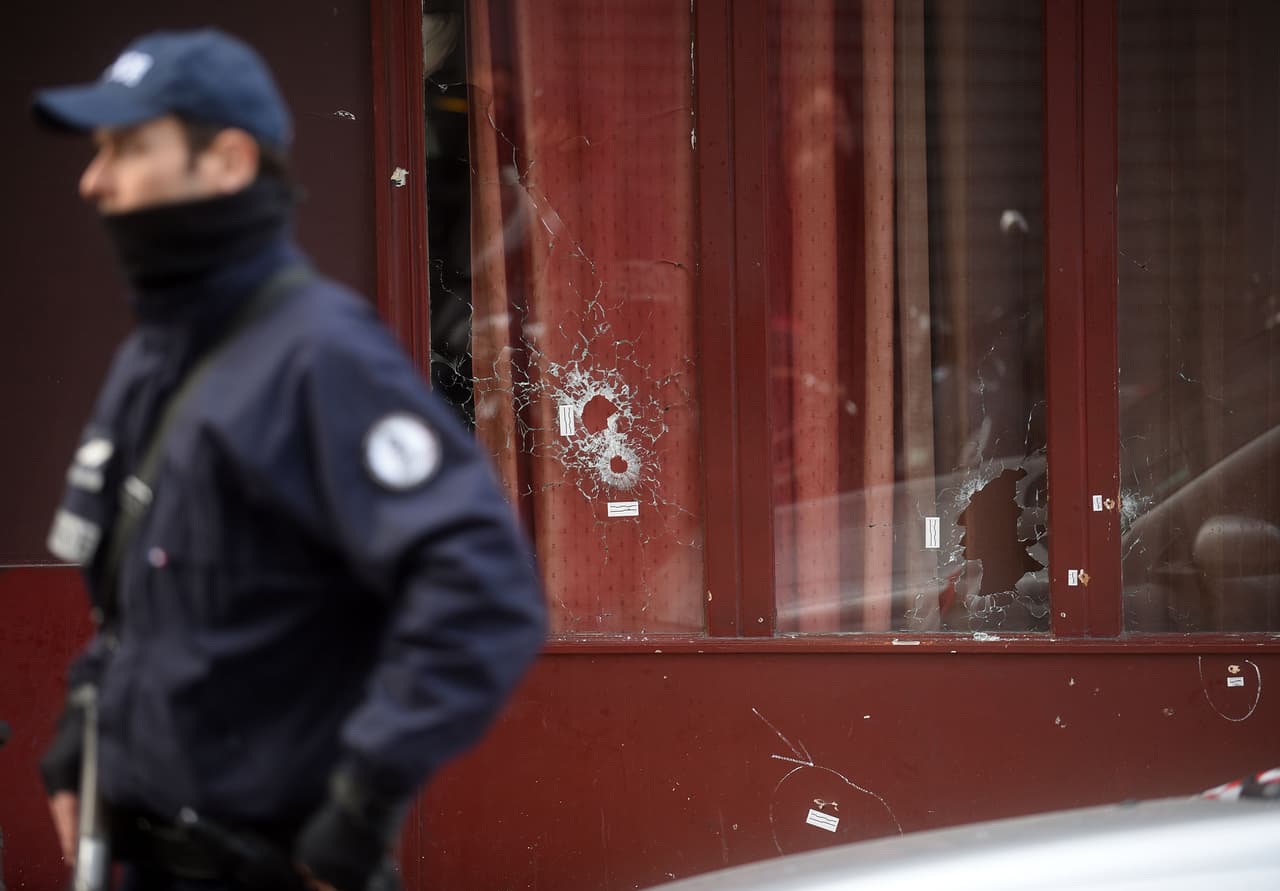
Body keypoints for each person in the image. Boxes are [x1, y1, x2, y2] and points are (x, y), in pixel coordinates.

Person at [31, 28, 547, 891]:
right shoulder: (156, 359)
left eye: (125, 147)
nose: (95, 180)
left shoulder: (320, 358)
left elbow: (484, 592)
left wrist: (359, 808)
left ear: (228, 161)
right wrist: (86, 725)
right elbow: (144, 599)